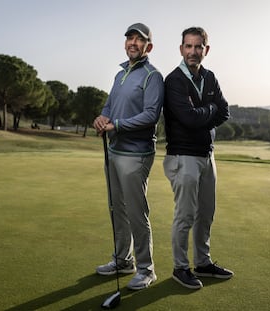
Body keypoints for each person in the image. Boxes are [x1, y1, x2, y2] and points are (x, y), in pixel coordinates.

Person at [93, 22, 164, 290]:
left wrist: (117, 125)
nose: (133, 43)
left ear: (149, 46)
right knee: (117, 209)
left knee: (136, 212)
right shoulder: (120, 74)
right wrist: (102, 117)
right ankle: (123, 260)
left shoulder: (152, 76)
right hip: (114, 150)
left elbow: (150, 116)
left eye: (139, 39)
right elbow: (110, 104)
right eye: (129, 38)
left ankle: (146, 269)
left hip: (137, 154)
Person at [163, 26, 233, 289]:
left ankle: (202, 262)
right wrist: (210, 109)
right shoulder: (173, 80)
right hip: (183, 156)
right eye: (188, 46)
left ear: (206, 49)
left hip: (207, 155)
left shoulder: (210, 77)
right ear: (181, 49)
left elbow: (224, 112)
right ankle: (181, 268)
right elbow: (189, 119)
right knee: (186, 215)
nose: (193, 51)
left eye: (198, 46)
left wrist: (207, 111)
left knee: (206, 213)